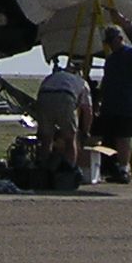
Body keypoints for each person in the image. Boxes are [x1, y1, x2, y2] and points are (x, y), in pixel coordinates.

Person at [96, 25, 132, 183]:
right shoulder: (111, 59)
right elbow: (106, 80)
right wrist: (100, 99)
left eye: (112, 41)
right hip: (111, 105)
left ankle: (123, 169)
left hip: (128, 104)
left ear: (120, 39)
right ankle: (111, 168)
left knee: (123, 137)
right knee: (109, 137)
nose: (110, 45)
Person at [34, 57, 92, 190]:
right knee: (70, 138)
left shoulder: (52, 77)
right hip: (65, 97)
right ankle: (69, 171)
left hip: (45, 95)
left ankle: (44, 171)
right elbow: (87, 110)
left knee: (46, 139)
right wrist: (85, 132)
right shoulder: (82, 83)